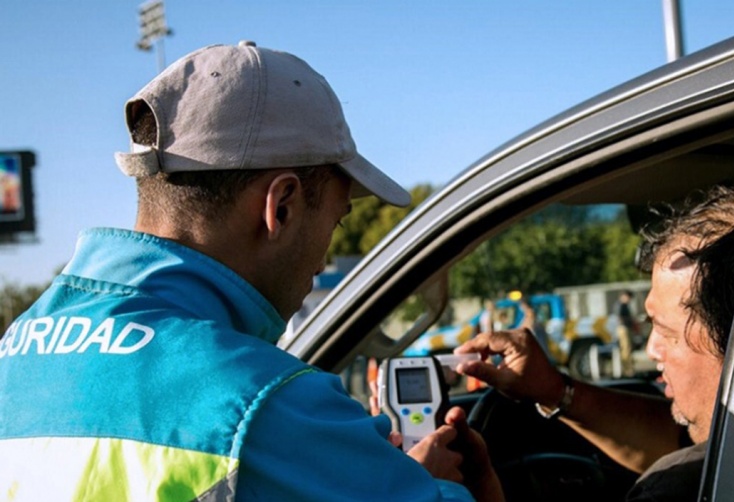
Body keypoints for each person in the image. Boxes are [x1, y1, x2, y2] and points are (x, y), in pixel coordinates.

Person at [0, 42, 501, 502]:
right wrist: (435, 485)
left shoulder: (15, 350)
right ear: (280, 206)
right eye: (335, 219)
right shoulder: (271, 403)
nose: (323, 259)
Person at [454, 184, 734, 501]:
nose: (652, 348)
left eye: (668, 333)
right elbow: (679, 440)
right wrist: (554, 391)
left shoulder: (679, 489)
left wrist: (474, 486)